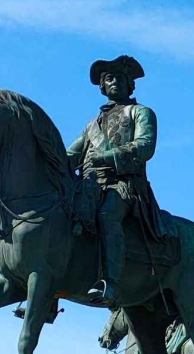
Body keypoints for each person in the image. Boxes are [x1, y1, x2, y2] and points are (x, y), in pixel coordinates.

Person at [67, 55, 167, 306]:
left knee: (107, 215)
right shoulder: (93, 124)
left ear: (130, 84)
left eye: (120, 78)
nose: (114, 82)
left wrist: (108, 157)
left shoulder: (141, 112)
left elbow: (145, 145)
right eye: (109, 78)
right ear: (102, 86)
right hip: (89, 185)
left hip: (123, 184)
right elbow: (72, 154)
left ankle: (110, 283)